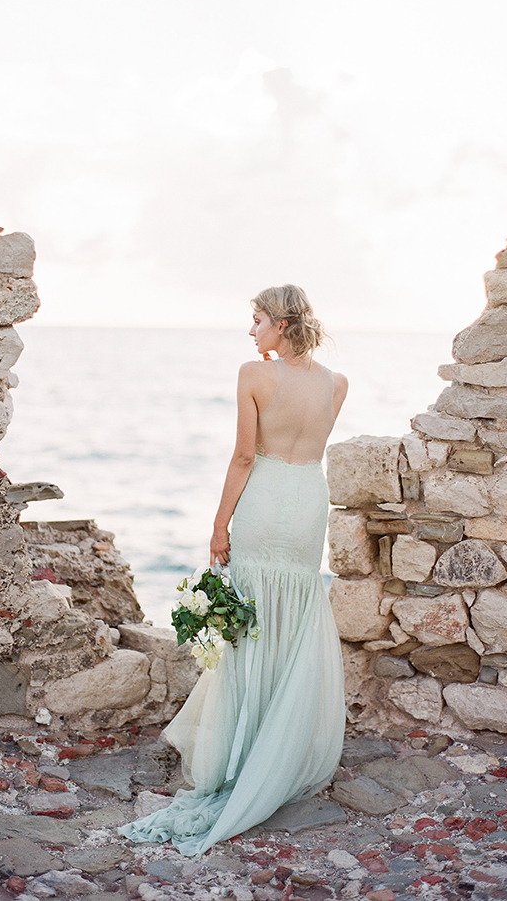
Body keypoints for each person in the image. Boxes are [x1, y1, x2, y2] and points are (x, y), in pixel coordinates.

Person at [118, 284, 348, 857]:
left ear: (280, 324)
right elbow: (310, 444)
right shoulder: (336, 383)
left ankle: (242, 752)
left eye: (257, 320)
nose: (251, 331)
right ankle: (281, 747)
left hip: (266, 498)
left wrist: (219, 524)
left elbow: (246, 456)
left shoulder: (253, 373)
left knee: (248, 623)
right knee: (291, 618)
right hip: (308, 503)